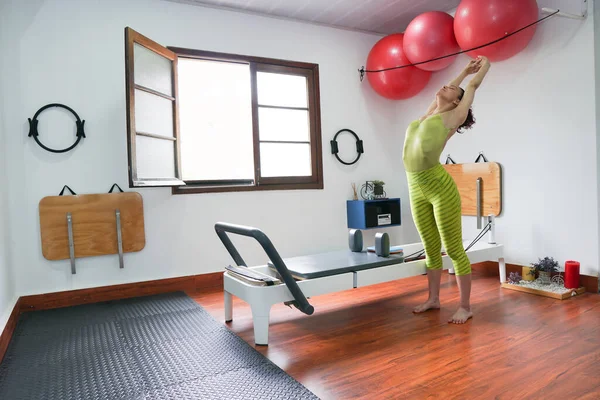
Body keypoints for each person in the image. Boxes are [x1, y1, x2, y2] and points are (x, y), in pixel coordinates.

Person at [402, 56, 491, 324]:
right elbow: (449, 89)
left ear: (457, 102)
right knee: (430, 247)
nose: (445, 87)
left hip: (439, 187)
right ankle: (433, 299)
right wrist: (462, 71)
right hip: (414, 186)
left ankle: (465, 306)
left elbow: (472, 88)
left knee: (453, 248)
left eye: (451, 89)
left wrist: (484, 65)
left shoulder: (453, 116)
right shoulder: (428, 115)